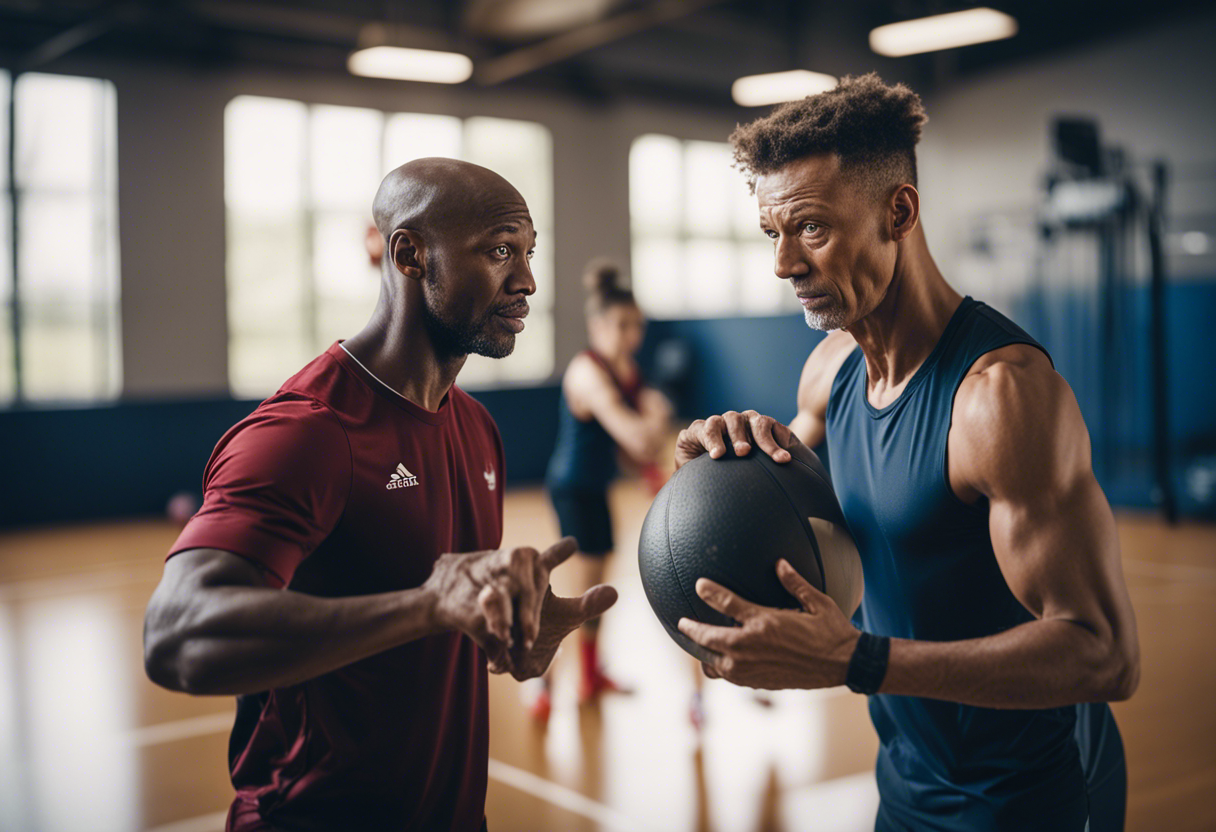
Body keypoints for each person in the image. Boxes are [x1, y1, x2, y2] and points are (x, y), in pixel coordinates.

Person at [672, 75, 1139, 831]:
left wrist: (861, 660)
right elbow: (785, 500)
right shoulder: (829, 373)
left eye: (812, 229)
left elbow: (1104, 655)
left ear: (899, 212)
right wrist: (715, 456)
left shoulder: (1000, 398)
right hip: (907, 783)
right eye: (773, 234)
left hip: (1031, 798)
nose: (784, 264)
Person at [143, 158, 617, 832]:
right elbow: (176, 635)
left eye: (529, 252)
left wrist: (504, 633)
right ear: (410, 254)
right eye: (500, 250)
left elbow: (413, 633)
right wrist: (429, 606)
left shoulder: (477, 427)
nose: (527, 280)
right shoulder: (307, 432)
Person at [533, 260, 671, 721]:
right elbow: (637, 438)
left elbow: (636, 454)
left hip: (598, 487)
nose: (630, 335)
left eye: (637, 326)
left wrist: (650, 434)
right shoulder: (587, 374)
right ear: (597, 326)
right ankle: (545, 681)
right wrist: (656, 415)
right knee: (576, 593)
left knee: (597, 588)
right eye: (620, 325)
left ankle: (590, 675)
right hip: (573, 488)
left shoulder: (626, 370)